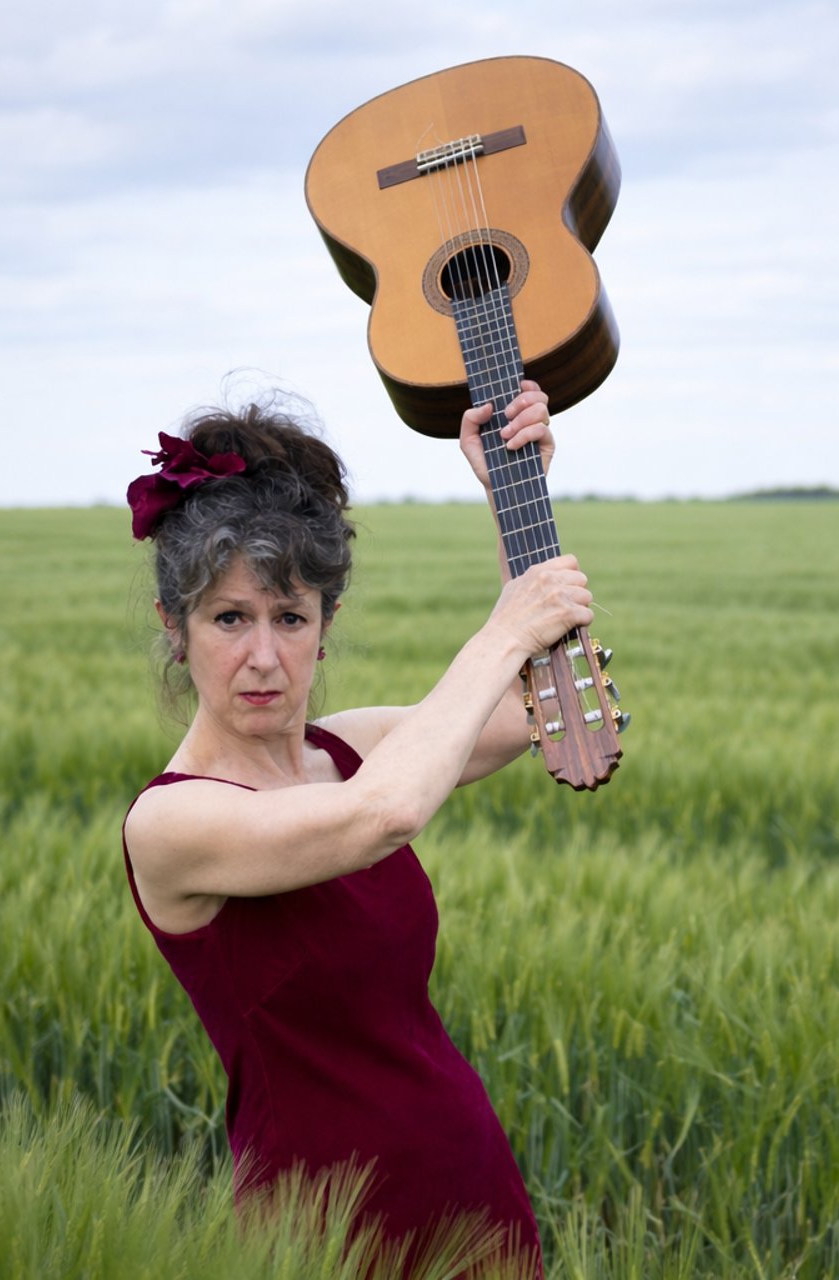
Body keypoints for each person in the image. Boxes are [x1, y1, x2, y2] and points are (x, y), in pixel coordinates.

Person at [120, 381, 586, 1277]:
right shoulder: (172, 821)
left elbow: (539, 712)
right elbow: (386, 817)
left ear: (325, 626)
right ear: (174, 629)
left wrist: (513, 497)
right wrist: (502, 633)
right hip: (318, 1229)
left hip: (467, 1182)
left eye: (291, 617)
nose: (264, 656)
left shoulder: (353, 747)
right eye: (229, 618)